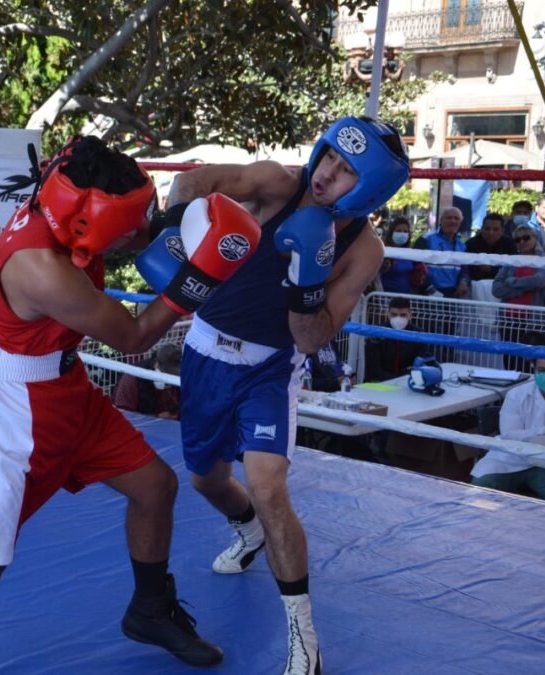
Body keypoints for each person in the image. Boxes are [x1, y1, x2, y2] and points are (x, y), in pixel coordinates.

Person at [0, 135, 262, 673]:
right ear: (88, 225)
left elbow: (130, 228)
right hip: (12, 410)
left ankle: (151, 610)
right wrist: (200, 277)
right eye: (126, 225)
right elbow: (133, 338)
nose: (137, 231)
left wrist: (177, 220)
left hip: (66, 387)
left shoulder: (58, 202)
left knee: (155, 487)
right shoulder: (39, 268)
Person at [165, 116, 409, 675]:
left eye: (347, 172)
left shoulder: (363, 249)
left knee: (268, 487)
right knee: (206, 479)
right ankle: (247, 528)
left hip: (271, 368)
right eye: (330, 158)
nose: (327, 174)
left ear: (371, 189)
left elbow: (312, 338)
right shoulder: (277, 182)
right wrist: (179, 240)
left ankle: (305, 637)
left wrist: (307, 279)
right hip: (206, 351)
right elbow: (190, 182)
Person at [470, 349, 545, 501]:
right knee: (481, 488)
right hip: (511, 459)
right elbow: (509, 435)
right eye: (541, 370)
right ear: (534, 371)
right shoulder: (517, 395)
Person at [493, 224, 545, 372]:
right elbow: (496, 289)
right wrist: (523, 288)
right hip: (509, 321)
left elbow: (541, 280)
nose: (522, 242)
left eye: (526, 238)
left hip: (537, 321)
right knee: (511, 362)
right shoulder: (511, 261)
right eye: (517, 239)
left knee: (536, 363)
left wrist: (512, 282)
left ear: (535, 238)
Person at [364, 297, 433, 382]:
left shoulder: (418, 335)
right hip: (379, 382)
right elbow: (373, 368)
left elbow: (421, 364)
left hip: (408, 381)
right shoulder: (376, 333)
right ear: (388, 314)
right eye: (394, 315)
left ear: (410, 315)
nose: (398, 319)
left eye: (403, 315)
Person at [113, 342, 182, 419]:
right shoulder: (131, 378)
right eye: (167, 373)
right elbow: (124, 414)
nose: (169, 378)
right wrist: (157, 418)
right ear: (156, 364)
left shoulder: (177, 377)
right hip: (140, 424)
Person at [413, 206, 469, 298]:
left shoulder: (462, 246)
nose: (453, 221)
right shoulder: (426, 239)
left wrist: (464, 281)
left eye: (456, 218)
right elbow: (416, 266)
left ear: (460, 222)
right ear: (441, 220)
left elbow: (465, 270)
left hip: (454, 294)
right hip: (429, 293)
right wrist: (429, 288)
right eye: (449, 218)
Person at [378, 216, 429, 295]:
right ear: (391, 232)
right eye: (398, 231)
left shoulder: (410, 253)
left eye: (405, 231)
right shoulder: (384, 251)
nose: (402, 234)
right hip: (384, 296)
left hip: (405, 296)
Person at [465, 212, 516, 281]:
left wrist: (491, 269)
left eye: (495, 229)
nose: (491, 233)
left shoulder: (510, 244)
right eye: (487, 229)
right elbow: (465, 270)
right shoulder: (470, 244)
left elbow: (513, 269)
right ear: (482, 229)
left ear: (502, 231)